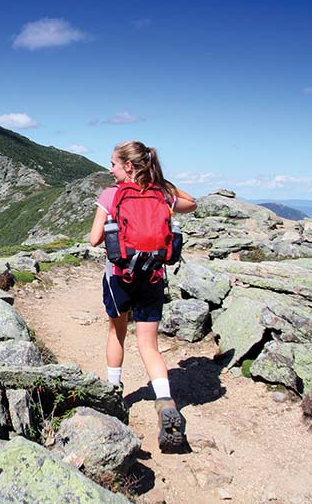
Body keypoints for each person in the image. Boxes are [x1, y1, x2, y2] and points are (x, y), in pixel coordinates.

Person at [89, 140, 197, 451]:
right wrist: (163, 187)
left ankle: (113, 394)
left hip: (120, 277)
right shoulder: (162, 194)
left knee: (117, 334)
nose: (110, 169)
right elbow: (192, 203)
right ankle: (164, 401)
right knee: (149, 345)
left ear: (129, 166)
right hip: (152, 276)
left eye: (113, 164)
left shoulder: (111, 195)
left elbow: (95, 239)